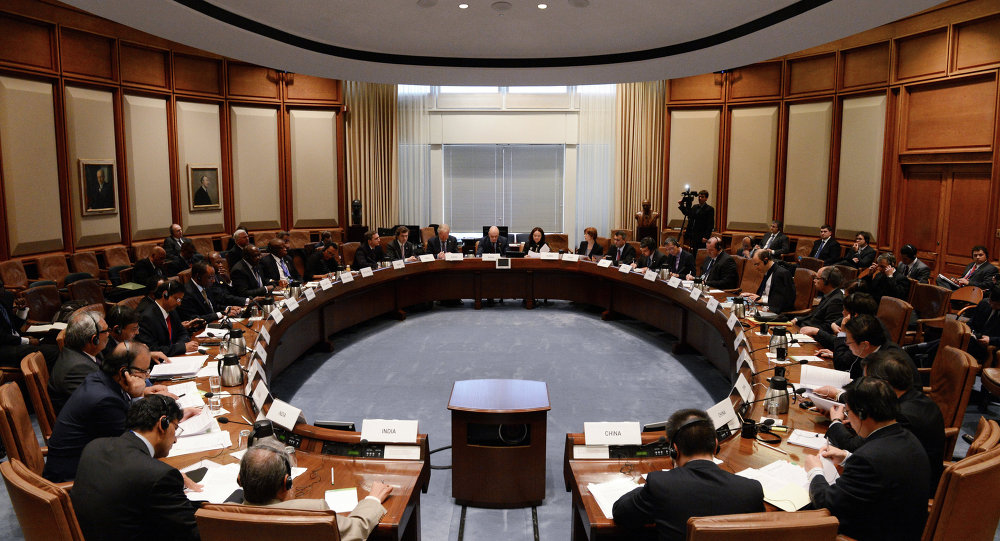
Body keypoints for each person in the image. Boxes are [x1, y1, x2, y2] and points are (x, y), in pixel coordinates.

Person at [805, 377, 930, 541]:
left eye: (847, 412)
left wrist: (814, 471)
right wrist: (847, 458)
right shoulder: (909, 438)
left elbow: (826, 504)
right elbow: (884, 472)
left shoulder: (868, 459)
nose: (847, 418)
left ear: (862, 414)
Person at [612, 409, 764, 541]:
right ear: (716, 445)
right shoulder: (751, 490)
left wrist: (647, 489)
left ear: (674, 450)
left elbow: (620, 513)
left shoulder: (660, 485)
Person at [71, 394, 199, 541]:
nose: (175, 439)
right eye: (175, 428)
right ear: (162, 424)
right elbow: (192, 534)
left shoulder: (94, 446)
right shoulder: (159, 476)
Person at [823, 350, 944, 495]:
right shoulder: (917, 399)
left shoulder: (900, 415)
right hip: (899, 475)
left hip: (905, 490)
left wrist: (836, 421)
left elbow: (857, 447)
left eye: (866, 381)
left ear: (882, 385)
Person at [238, 441, 392, 541]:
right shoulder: (313, 511)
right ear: (287, 483)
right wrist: (373, 499)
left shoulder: (224, 513)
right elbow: (356, 529)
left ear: (239, 480)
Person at [43, 341, 152, 482]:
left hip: (91, 465)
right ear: (123, 372)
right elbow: (136, 443)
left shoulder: (101, 379)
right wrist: (138, 397)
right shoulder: (105, 401)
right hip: (77, 481)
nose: (147, 377)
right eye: (144, 372)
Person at [48, 311, 109, 413]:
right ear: (94, 339)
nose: (108, 334)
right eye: (106, 331)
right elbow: (102, 405)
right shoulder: (77, 369)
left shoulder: (87, 352)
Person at [0, 286, 58, 368]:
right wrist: (27, 341)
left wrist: (21, 310)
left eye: (2, 287)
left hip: (13, 341)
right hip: (4, 349)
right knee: (53, 352)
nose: (3, 291)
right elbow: (2, 337)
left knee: (54, 340)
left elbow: (14, 327)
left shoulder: (3, 302)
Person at [137, 280, 199, 357]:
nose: (179, 304)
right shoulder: (147, 318)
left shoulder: (172, 311)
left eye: (180, 300)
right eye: (177, 299)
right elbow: (152, 350)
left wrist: (180, 345)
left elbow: (182, 332)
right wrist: (181, 348)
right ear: (165, 294)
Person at [790, 266, 844, 334]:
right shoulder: (829, 294)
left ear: (826, 281)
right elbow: (814, 315)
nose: (814, 280)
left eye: (817, 278)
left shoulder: (836, 300)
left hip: (811, 335)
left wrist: (809, 329)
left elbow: (829, 327)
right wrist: (797, 319)